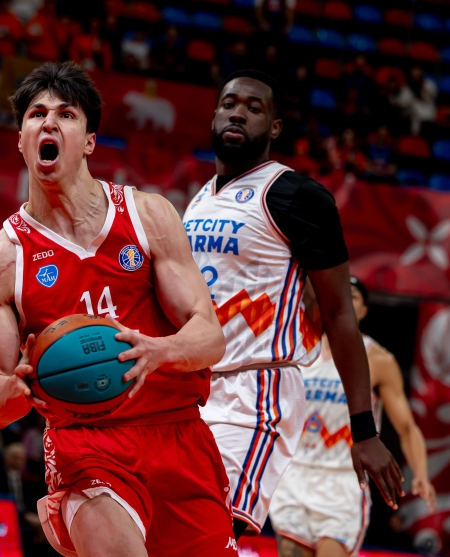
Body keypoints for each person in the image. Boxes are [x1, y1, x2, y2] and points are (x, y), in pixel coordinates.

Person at [0, 62, 237, 557]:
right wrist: (18, 388)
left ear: (89, 141)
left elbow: (210, 338)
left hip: (178, 435)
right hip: (85, 445)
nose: (49, 123)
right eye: (36, 115)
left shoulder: (148, 215)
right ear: (21, 140)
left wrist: (157, 351)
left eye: (66, 115)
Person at [182, 69, 403, 540]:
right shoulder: (198, 200)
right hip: (192, 390)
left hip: (254, 392)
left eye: (254, 108)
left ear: (275, 127)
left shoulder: (297, 196)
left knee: (207, 536)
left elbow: (340, 313)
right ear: (215, 115)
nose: (238, 113)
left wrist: (364, 431)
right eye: (229, 104)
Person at [270, 277, 437, 557]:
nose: (345, 299)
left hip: (344, 482)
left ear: (363, 310)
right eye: (340, 293)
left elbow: (407, 428)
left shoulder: (378, 359)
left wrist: (421, 474)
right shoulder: (297, 348)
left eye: (354, 296)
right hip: (294, 475)